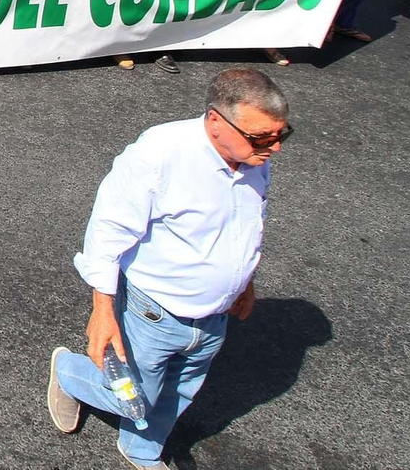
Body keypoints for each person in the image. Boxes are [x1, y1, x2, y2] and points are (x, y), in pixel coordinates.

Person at [48, 69, 290, 470]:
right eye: (262, 137)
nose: (275, 148)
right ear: (216, 121)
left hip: (214, 317)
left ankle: (143, 449)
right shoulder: (159, 155)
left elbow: (247, 224)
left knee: (180, 391)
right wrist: (102, 310)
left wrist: (245, 283)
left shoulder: (252, 158)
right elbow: (108, 230)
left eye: (281, 135)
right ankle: (69, 371)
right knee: (130, 393)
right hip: (153, 313)